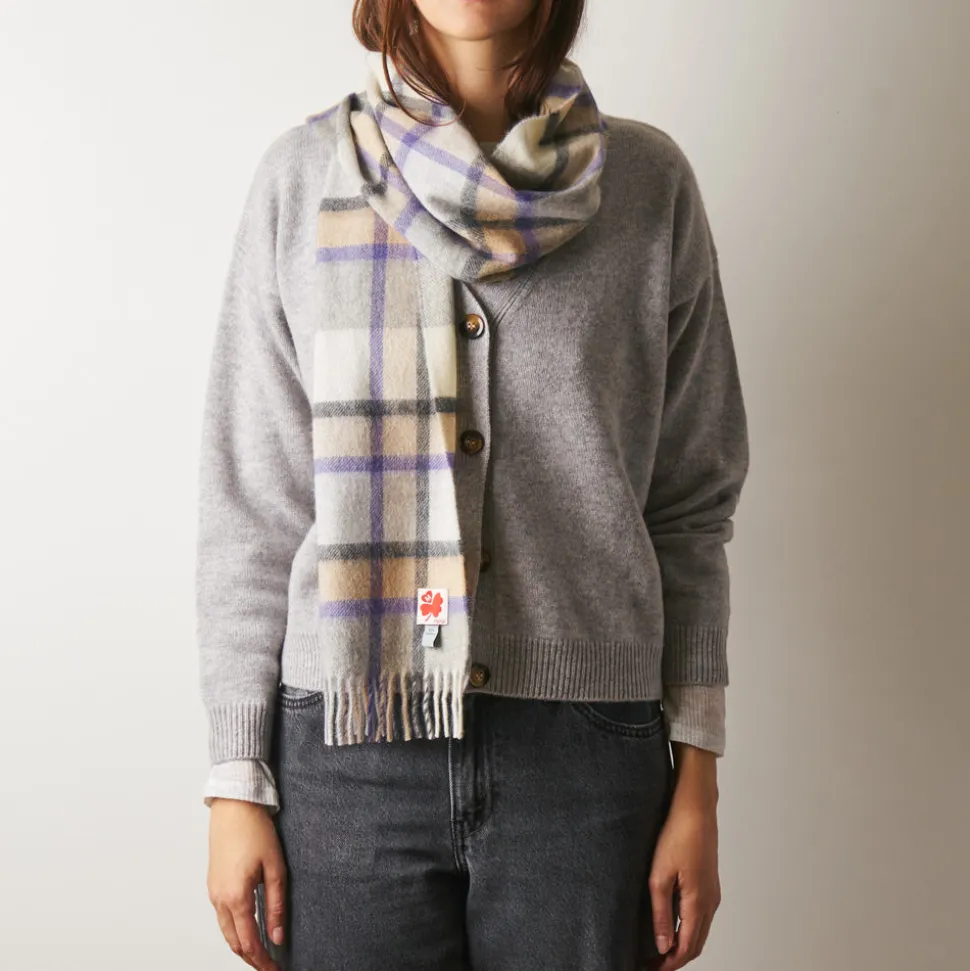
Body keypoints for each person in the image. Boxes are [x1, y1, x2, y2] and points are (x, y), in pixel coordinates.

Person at [197, 1, 749, 969]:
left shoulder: (646, 186)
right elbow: (253, 507)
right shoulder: (303, 178)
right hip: (350, 746)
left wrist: (697, 775)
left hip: (586, 752)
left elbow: (690, 504)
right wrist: (234, 779)